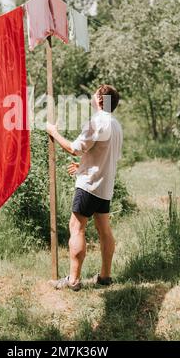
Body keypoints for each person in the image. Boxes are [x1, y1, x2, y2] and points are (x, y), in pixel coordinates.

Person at [46, 84, 123, 291]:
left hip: (89, 185)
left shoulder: (97, 122)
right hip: (105, 186)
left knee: (76, 227)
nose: (92, 97)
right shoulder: (115, 125)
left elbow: (73, 148)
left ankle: (73, 280)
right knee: (104, 230)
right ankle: (105, 277)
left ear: (100, 100)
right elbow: (107, 155)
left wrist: (53, 132)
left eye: (95, 94)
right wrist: (84, 165)